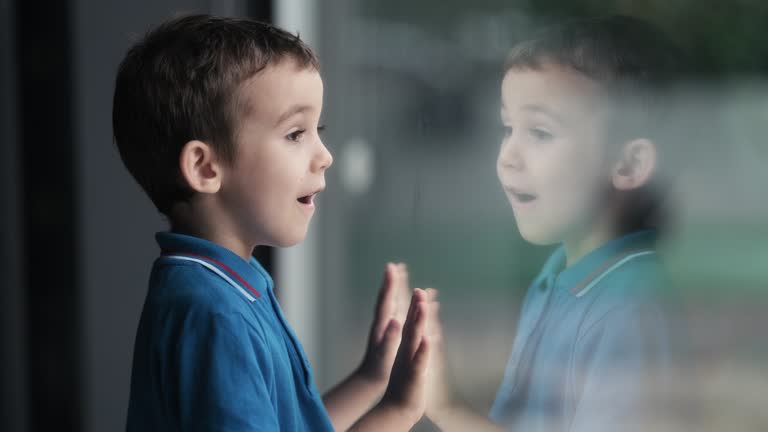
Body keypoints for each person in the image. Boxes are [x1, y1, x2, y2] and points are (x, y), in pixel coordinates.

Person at [115, 14, 433, 431]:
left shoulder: (222, 286)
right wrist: (396, 413)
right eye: (295, 133)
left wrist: (369, 379)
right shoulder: (214, 315)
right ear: (205, 167)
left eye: (317, 129)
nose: (325, 155)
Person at [425, 15, 687, 431]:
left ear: (629, 164)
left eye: (540, 132)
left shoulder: (626, 311)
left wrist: (451, 410)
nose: (508, 154)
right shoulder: (558, 278)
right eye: (508, 127)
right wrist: (445, 405)